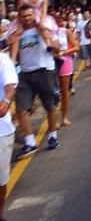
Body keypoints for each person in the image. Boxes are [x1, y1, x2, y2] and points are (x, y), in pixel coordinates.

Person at [9, 3, 61, 158]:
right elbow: (12, 53)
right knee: (21, 108)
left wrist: (49, 40)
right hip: (24, 73)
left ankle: (53, 135)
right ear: (19, 17)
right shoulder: (17, 33)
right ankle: (30, 142)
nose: (27, 18)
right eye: (24, 16)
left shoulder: (45, 28)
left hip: (45, 71)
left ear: (34, 15)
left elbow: (57, 48)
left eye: (29, 15)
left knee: (49, 106)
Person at [0, 42, 17, 220]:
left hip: (1, 130)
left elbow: (10, 86)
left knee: (1, 180)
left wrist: (5, 101)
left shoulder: (3, 60)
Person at [54, 12, 79, 126]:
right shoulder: (46, 33)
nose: (58, 22)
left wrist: (64, 52)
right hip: (50, 63)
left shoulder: (66, 31)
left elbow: (76, 47)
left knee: (64, 91)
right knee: (52, 92)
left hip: (65, 61)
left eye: (60, 20)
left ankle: (64, 117)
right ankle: (53, 119)